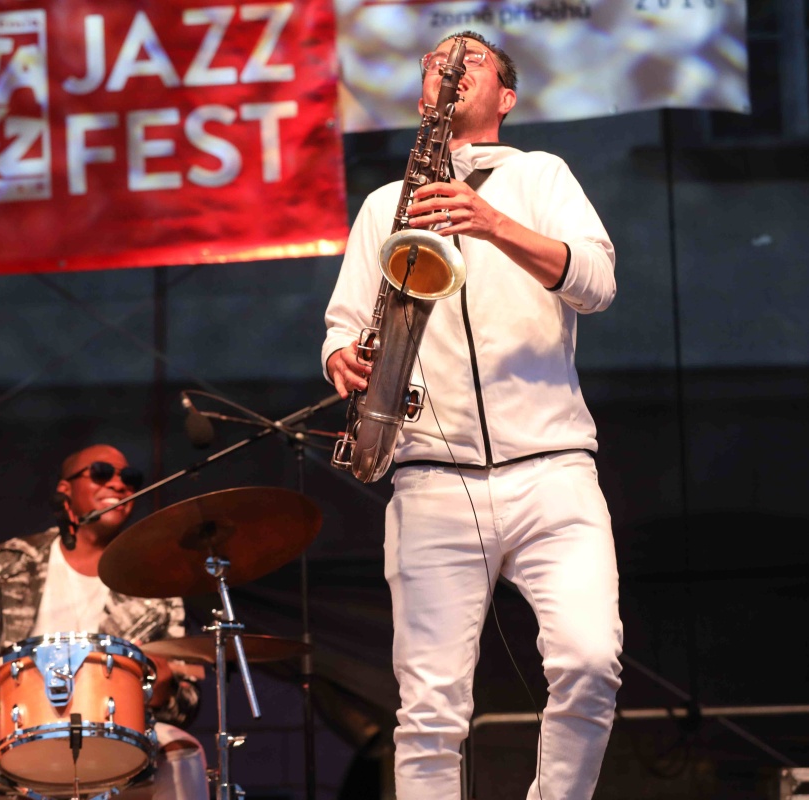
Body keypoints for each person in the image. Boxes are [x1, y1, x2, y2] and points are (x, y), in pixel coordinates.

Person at [322, 31, 623, 800]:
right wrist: (343, 360)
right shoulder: (384, 205)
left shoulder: (542, 174)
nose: (449, 69)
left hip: (552, 468)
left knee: (590, 663)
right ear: (424, 96)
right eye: (434, 63)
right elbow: (342, 327)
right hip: (431, 475)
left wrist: (492, 223)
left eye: (471, 61)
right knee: (429, 710)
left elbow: (596, 282)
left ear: (506, 97)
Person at [0, 444, 209, 800]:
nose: (119, 484)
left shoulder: (157, 581)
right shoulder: (9, 563)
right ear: (65, 489)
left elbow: (188, 700)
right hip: (10, 732)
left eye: (130, 478)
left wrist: (164, 690)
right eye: (102, 473)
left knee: (185, 752)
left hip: (118, 733)